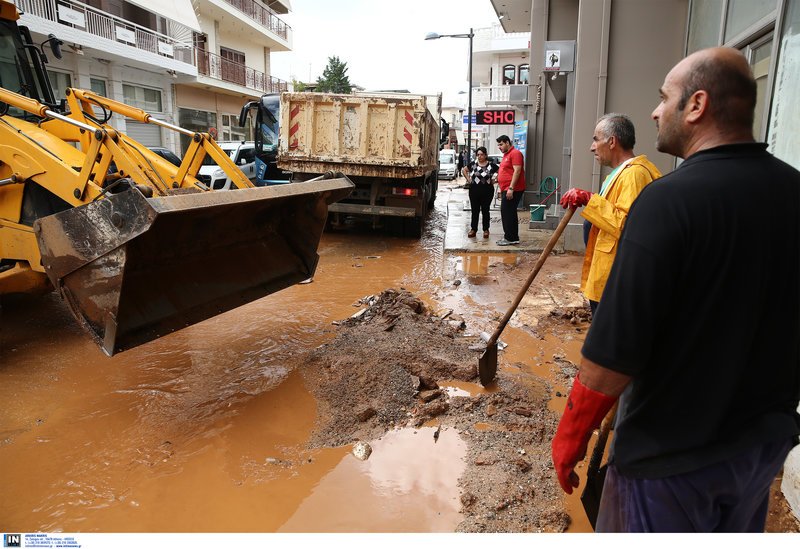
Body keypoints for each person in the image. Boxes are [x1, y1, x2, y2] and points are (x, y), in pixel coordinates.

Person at [552, 47, 799, 532]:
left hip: (670, 463)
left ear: (697, 105)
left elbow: (613, 354)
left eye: (664, 98)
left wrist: (571, 437)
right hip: (758, 450)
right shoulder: (794, 193)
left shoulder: (667, 200)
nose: (655, 110)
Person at [560, 114, 661, 315]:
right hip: (607, 276)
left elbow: (627, 225)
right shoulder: (619, 174)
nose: (591, 147)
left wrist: (589, 199)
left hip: (617, 281)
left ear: (612, 141)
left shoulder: (634, 175)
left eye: (596, 139)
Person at [462, 146, 498, 238]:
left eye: (481, 154)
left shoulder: (491, 165)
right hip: (474, 191)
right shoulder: (473, 164)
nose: (479, 156)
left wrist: (495, 180)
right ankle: (473, 229)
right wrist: (469, 180)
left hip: (487, 191)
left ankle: (486, 230)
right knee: (475, 210)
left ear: (486, 155)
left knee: (485, 210)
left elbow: (501, 171)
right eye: (478, 154)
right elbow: (464, 170)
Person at [495, 135, 526, 245]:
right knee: (509, 213)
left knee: (507, 213)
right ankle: (512, 237)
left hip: (513, 189)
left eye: (501, 144)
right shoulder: (506, 155)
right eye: (498, 144)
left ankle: (510, 238)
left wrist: (511, 188)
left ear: (507, 143)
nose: (499, 147)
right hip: (506, 188)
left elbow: (517, 171)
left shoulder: (515, 153)